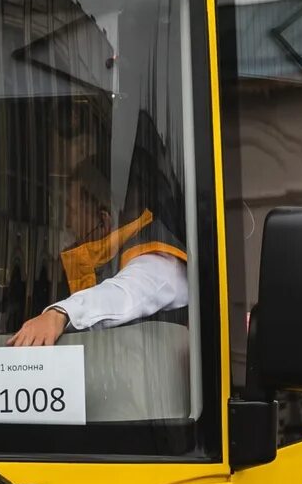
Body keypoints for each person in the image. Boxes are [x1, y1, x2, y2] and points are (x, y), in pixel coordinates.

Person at [9, 141, 187, 347]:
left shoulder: (159, 262)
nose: (67, 222)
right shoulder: (110, 256)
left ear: (103, 220)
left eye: (72, 211)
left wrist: (60, 314)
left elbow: (124, 295)